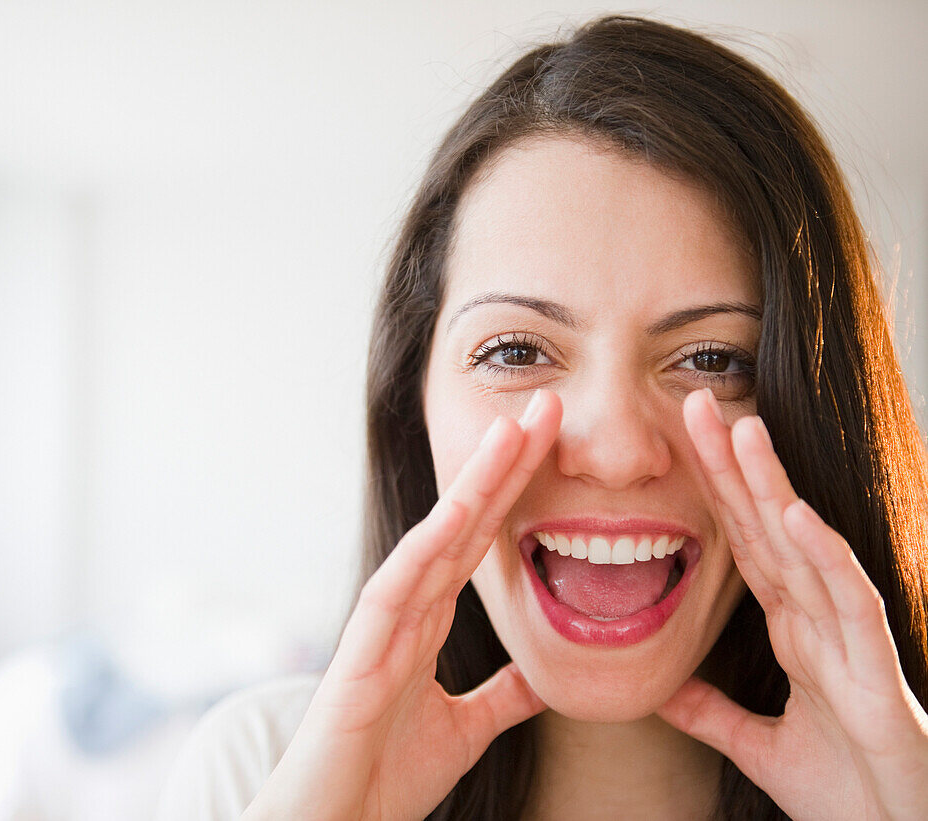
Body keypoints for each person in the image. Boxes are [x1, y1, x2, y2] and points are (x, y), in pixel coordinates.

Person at [157, 15, 928, 820]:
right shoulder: (254, 770)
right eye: (517, 352)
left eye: (713, 361)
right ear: (412, 406)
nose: (620, 451)